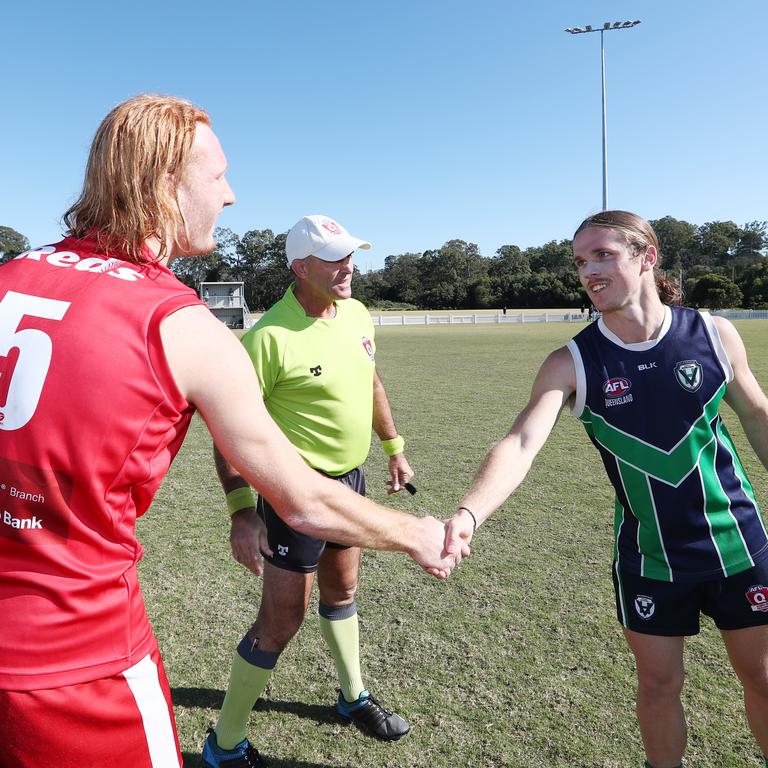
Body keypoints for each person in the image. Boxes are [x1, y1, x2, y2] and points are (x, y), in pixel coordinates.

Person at [0, 95, 465, 768]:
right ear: (163, 180)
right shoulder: (181, 323)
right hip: (76, 661)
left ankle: (352, 689)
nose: (231, 194)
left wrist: (391, 450)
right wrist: (418, 532)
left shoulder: (11, 277)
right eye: (217, 177)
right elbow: (300, 498)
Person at [445, 210, 768, 768]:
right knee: (659, 686)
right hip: (648, 558)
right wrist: (468, 514)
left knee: (763, 678)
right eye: (580, 261)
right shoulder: (571, 362)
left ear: (647, 257)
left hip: (738, 544)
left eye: (603, 255)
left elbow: (758, 415)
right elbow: (522, 442)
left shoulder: (714, 335)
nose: (588, 271)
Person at [204, 215, 415, 767]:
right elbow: (229, 436)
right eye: (335, 259)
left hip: (352, 485)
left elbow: (370, 381)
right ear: (301, 268)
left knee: (342, 595)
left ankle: (352, 698)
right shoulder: (268, 337)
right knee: (281, 622)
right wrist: (241, 512)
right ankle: (225, 745)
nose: (349, 268)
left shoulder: (358, 314)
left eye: (351, 256)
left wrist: (393, 447)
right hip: (294, 496)